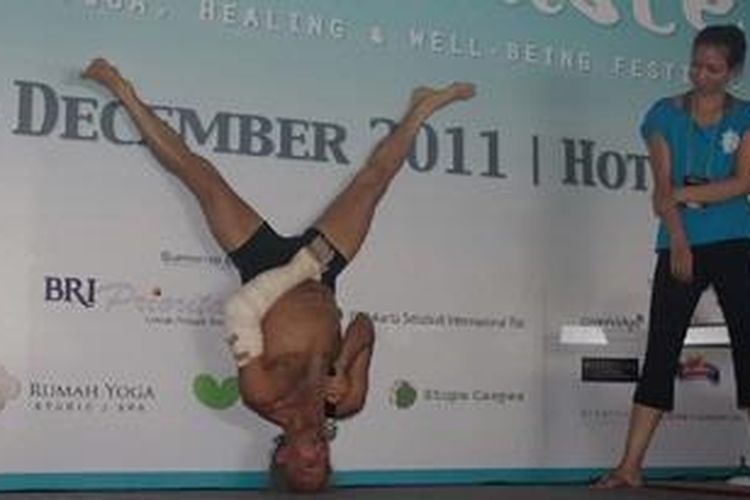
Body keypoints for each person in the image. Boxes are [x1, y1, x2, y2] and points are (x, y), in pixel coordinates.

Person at [82, 57, 475, 493]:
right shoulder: (347, 402)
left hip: (266, 267)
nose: (320, 457)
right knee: (373, 181)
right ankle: (422, 107)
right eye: (325, 466)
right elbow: (364, 325)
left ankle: (122, 90)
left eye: (307, 466)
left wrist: (296, 269)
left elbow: (241, 312)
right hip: (323, 271)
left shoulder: (263, 394)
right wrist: (342, 367)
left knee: (200, 176)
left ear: (283, 456)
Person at [596, 25, 750, 488]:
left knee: (748, 344)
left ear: (733, 72)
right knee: (662, 347)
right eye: (696, 65)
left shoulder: (745, 117)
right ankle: (629, 466)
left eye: (713, 69)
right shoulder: (664, 113)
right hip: (678, 242)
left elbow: (742, 183)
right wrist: (679, 239)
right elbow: (661, 190)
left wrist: (684, 193)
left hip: (736, 241)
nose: (701, 75)